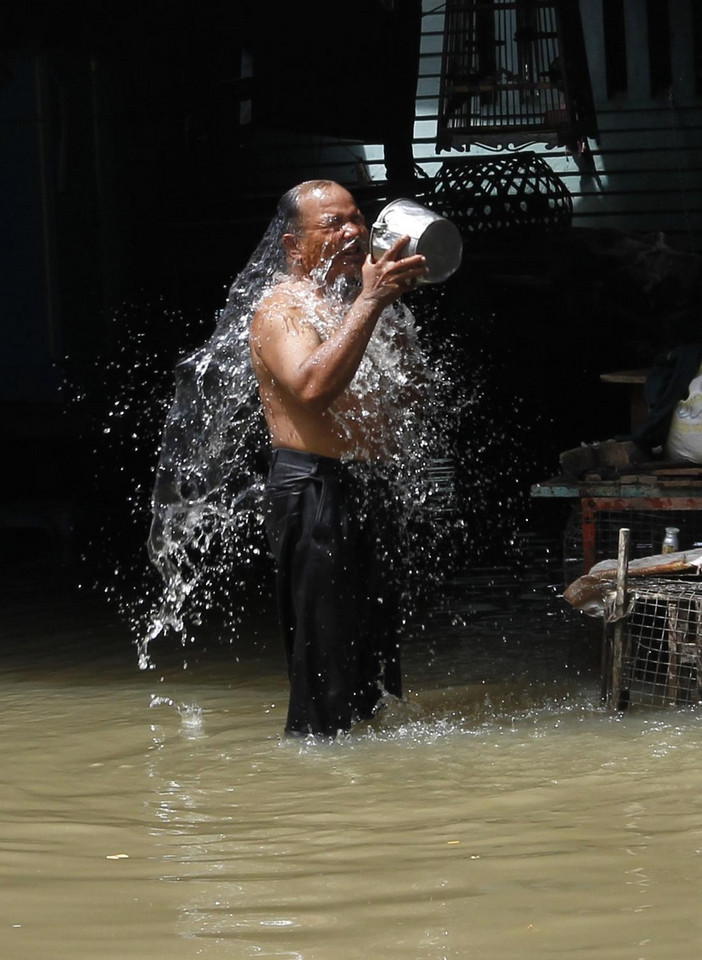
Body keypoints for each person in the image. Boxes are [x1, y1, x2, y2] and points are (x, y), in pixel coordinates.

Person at [248, 180, 429, 737]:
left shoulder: (354, 302)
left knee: (374, 657)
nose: (354, 232)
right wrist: (372, 302)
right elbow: (311, 388)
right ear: (293, 245)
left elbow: (413, 395)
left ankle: (369, 776)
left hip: (367, 485)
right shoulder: (280, 308)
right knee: (324, 657)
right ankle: (317, 781)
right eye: (333, 224)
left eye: (357, 218)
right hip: (314, 489)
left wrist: (382, 306)